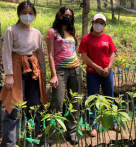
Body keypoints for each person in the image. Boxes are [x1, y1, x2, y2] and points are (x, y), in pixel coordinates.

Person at [0, 1, 48, 147]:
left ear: (35, 15)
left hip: (33, 69)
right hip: (16, 69)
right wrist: (9, 74)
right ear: (19, 14)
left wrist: (43, 74)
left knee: (34, 107)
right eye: (24, 13)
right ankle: (9, 143)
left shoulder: (37, 33)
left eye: (31, 13)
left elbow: (40, 54)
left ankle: (30, 142)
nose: (28, 16)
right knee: (14, 107)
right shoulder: (11, 30)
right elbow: (6, 52)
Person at [78, 14, 119, 137]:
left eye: (101, 23)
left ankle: (114, 122)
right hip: (92, 73)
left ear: (104, 25)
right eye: (97, 22)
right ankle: (93, 126)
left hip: (107, 72)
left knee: (109, 98)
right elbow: (84, 56)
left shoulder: (108, 38)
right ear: (92, 23)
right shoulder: (86, 38)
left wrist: (108, 68)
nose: (99, 24)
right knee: (92, 99)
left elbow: (112, 54)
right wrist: (96, 67)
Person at [45, 6, 82, 144]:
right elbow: (50, 54)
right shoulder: (52, 32)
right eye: (65, 14)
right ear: (59, 15)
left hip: (75, 70)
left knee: (74, 102)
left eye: (70, 16)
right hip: (59, 70)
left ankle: (71, 132)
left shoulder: (72, 32)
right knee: (57, 102)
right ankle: (50, 136)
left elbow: (73, 51)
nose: (68, 17)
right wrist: (53, 75)